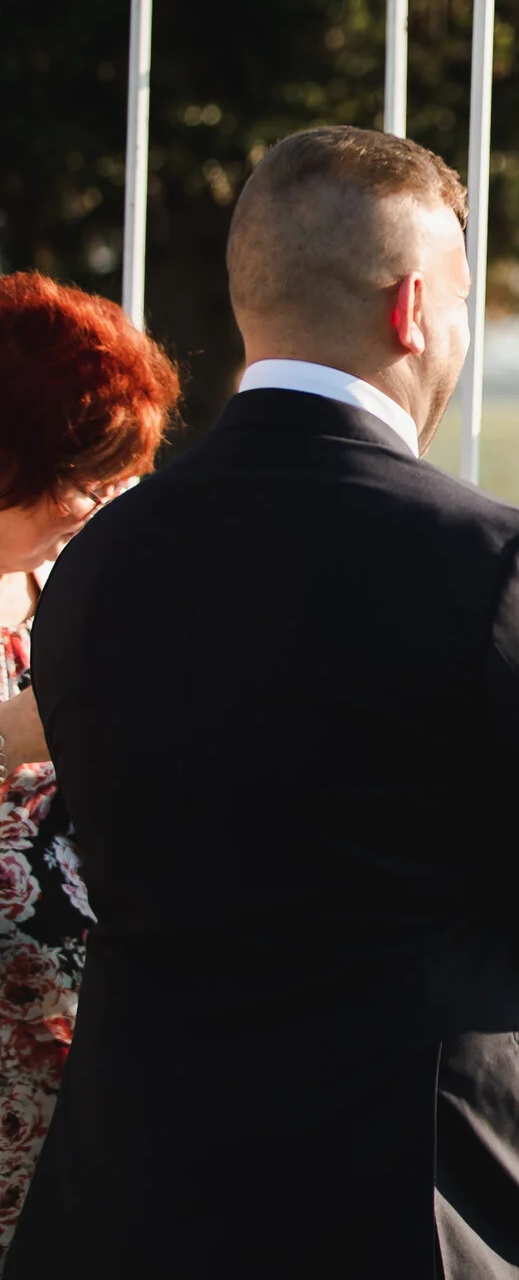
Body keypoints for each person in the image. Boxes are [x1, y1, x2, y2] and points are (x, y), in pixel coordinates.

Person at [7, 126, 519, 1278]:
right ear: (414, 309)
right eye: (463, 298)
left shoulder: (103, 557)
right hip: (421, 1185)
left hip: (139, 1185)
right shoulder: (496, 558)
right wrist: (500, 1061)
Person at [0, 275, 178, 1255]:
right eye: (86, 474)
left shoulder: (69, 577)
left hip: (92, 1093)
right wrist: (20, 732)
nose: (106, 501)